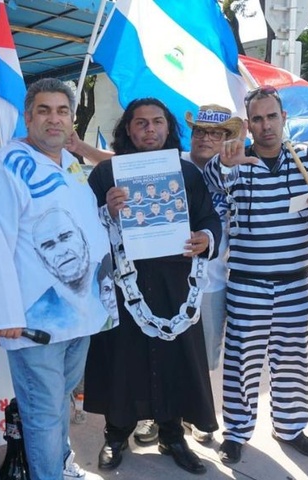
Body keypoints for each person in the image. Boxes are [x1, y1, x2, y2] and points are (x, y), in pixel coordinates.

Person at [0, 77, 113, 480]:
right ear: (28, 116)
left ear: (71, 120)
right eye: (45, 111)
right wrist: (5, 313)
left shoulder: (69, 165)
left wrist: (111, 213)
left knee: (57, 402)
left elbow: (85, 227)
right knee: (43, 412)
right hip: (33, 318)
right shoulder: (3, 166)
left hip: (79, 314)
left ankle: (60, 466)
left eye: (62, 111)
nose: (55, 119)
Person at [85, 97, 220, 475]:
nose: (149, 130)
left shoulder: (188, 173)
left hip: (177, 284)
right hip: (125, 287)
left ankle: (172, 434)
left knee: (175, 358)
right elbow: (84, 231)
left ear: (168, 127)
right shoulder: (105, 174)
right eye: (140, 123)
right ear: (127, 129)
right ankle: (115, 435)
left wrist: (206, 238)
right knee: (123, 361)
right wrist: (105, 211)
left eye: (157, 122)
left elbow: (209, 218)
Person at [206, 85, 308, 464]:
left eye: (272, 117)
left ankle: (290, 428)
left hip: (296, 280)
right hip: (247, 283)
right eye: (258, 119)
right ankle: (237, 432)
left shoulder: (307, 160)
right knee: (242, 363)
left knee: (292, 360)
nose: (266, 126)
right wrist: (226, 163)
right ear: (249, 124)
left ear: (284, 119)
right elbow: (214, 181)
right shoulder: (237, 161)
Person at [182, 103, 242, 443]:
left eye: (214, 133)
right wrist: (81, 148)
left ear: (226, 139)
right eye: (199, 131)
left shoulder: (238, 172)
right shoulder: (173, 161)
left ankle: (199, 412)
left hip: (214, 280)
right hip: (170, 277)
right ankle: (162, 416)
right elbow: (120, 161)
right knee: (165, 348)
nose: (205, 138)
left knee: (205, 357)